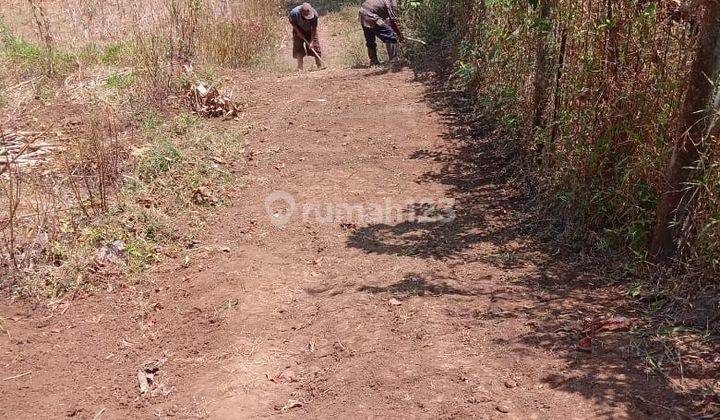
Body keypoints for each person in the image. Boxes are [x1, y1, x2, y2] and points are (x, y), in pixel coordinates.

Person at [359, 0, 405, 66]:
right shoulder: (392, 2)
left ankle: (373, 61)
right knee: (391, 35)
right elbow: (393, 20)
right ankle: (393, 60)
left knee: (370, 39)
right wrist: (399, 34)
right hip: (371, 16)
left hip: (362, 14)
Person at [289, 3, 323, 71]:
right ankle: (300, 67)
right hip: (298, 29)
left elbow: (314, 28)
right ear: (301, 12)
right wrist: (298, 31)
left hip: (310, 30)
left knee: (316, 46)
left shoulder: (315, 15)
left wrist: (312, 41)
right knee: (298, 47)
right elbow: (291, 21)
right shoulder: (294, 13)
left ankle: (320, 65)